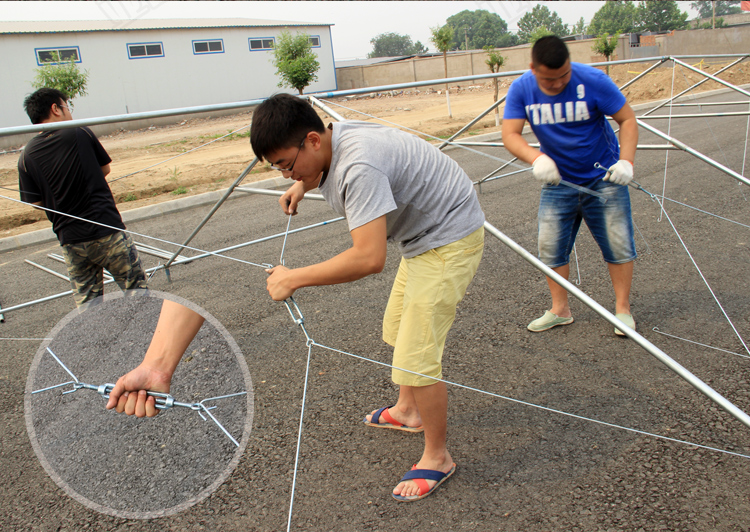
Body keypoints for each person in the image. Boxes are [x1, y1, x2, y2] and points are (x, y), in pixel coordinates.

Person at [252, 93, 484, 501]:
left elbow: (369, 257)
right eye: (278, 168)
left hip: (448, 236)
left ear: (311, 140)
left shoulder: (358, 165)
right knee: (397, 325)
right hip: (421, 237)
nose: (287, 174)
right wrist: (301, 185)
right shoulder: (330, 142)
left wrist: (294, 279)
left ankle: (438, 456)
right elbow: (319, 166)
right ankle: (408, 411)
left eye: (286, 165)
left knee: (417, 355)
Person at [501, 36, 638, 336]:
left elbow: (627, 119)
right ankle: (559, 309)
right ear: (533, 68)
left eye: (563, 75)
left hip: (603, 178)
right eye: (549, 79)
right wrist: (536, 159)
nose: (558, 83)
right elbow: (510, 133)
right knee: (550, 248)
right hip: (557, 181)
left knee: (618, 243)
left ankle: (623, 310)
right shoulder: (521, 88)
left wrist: (626, 162)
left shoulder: (593, 80)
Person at [18, 88, 147, 308]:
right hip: (105, 229)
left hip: (71, 240)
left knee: (89, 307)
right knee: (137, 292)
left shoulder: (26, 154)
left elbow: (35, 202)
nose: (69, 112)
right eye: (67, 106)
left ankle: (94, 342)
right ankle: (152, 338)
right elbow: (104, 169)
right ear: (55, 109)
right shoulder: (78, 132)